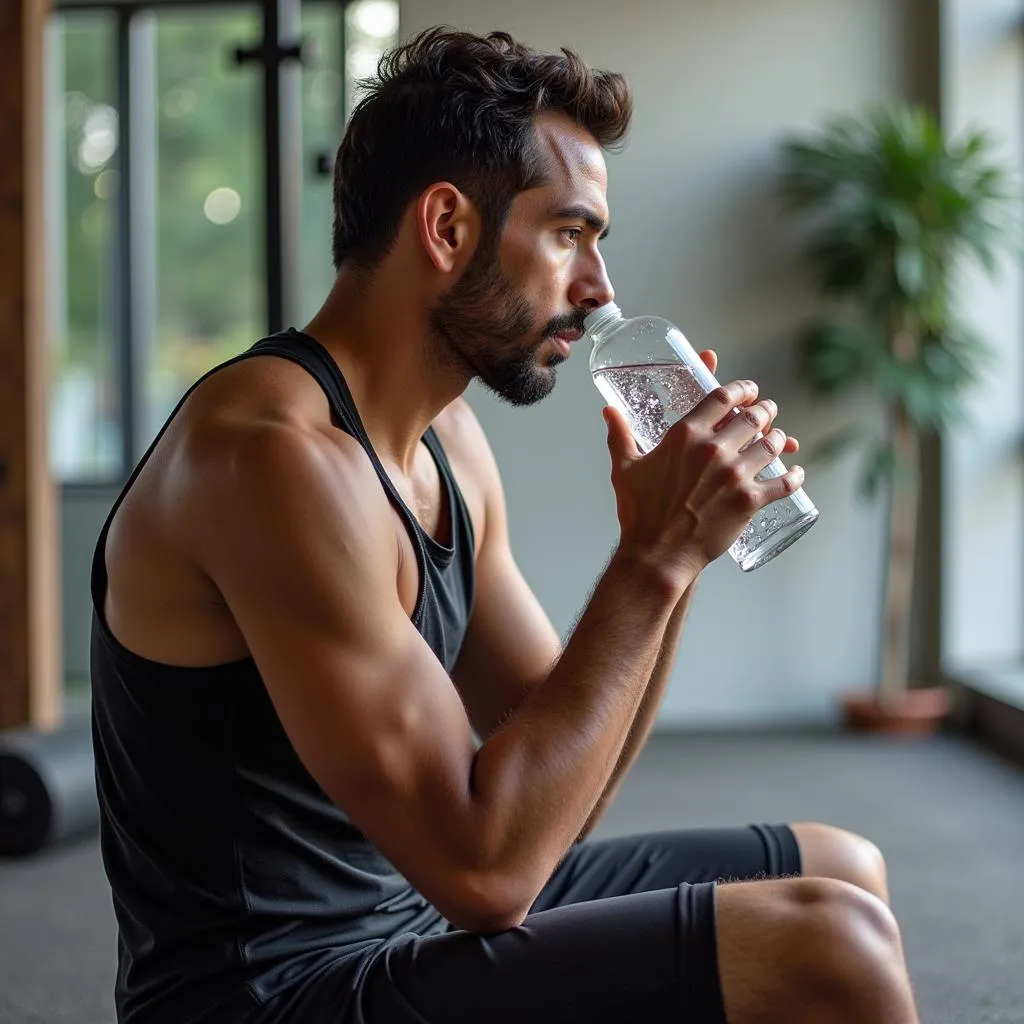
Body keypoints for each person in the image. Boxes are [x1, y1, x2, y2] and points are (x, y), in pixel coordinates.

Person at [90, 26, 921, 1024]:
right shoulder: (271, 458)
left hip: (411, 917)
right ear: (446, 227)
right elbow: (488, 870)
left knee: (842, 866)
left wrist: (681, 541)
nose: (599, 289)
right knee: (831, 948)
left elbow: (561, 792)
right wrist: (651, 562)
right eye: (569, 233)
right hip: (268, 994)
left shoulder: (450, 438)